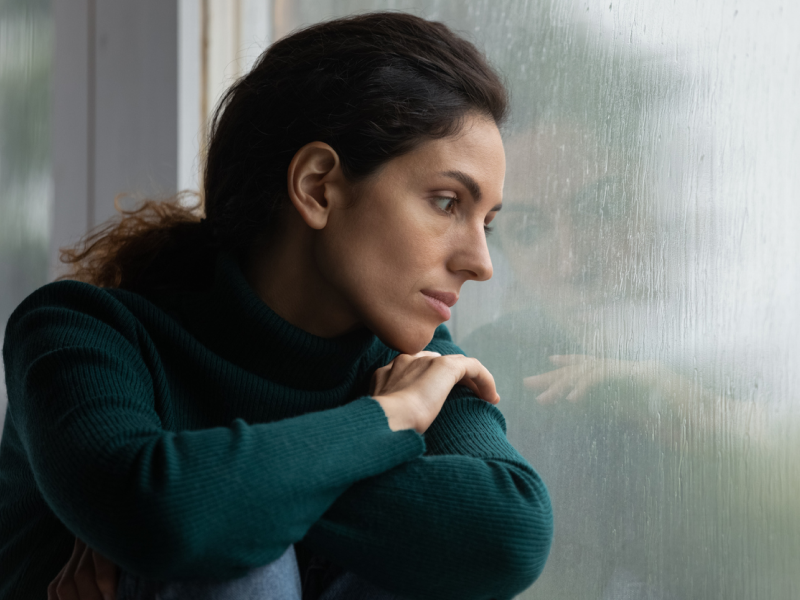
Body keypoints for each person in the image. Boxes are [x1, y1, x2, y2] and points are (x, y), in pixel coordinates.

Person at [0, 12, 553, 600]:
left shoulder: (417, 361)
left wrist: (197, 489)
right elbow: (159, 511)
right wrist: (388, 419)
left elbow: (508, 534)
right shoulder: (79, 332)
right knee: (234, 566)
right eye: (446, 203)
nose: (480, 261)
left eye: (487, 223)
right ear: (318, 187)